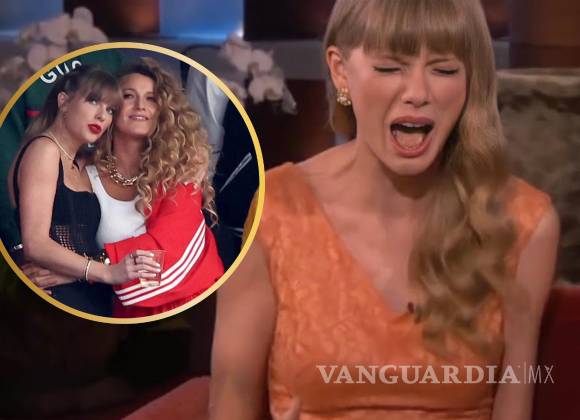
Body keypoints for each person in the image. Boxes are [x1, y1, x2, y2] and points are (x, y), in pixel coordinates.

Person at [211, 1, 560, 419]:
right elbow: (230, 397)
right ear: (341, 70)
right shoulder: (275, 210)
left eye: (444, 70)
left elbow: (515, 402)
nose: (418, 93)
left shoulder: (521, 223)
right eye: (390, 68)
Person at [27, 58, 224, 318]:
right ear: (111, 108)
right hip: (119, 316)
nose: (140, 105)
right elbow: (51, 235)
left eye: (151, 98)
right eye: (129, 96)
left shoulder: (182, 169)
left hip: (193, 306)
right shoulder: (82, 171)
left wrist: (84, 270)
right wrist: (46, 269)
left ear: (163, 111)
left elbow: (167, 248)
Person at [9, 64, 160, 317]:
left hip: (89, 297)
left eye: (110, 109)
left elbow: (80, 245)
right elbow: (35, 243)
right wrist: (107, 272)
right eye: (93, 101)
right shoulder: (45, 150)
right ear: (64, 101)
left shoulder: (81, 161)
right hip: (57, 302)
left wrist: (81, 272)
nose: (102, 116)